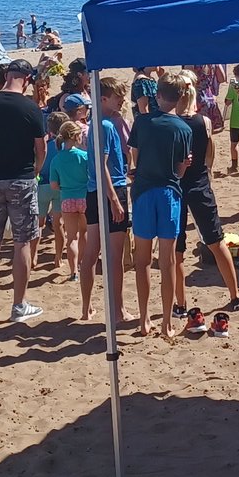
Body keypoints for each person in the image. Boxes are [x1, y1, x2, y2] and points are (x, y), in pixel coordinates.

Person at [0, 60, 47, 325]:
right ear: (26, 79)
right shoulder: (31, 107)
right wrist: (36, 172)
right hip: (22, 178)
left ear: (6, 76)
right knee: (22, 242)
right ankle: (18, 305)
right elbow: (41, 148)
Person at [165, 78, 239, 325]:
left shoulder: (171, 124)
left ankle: (180, 304)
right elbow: (210, 154)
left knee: (177, 249)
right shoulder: (204, 121)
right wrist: (206, 171)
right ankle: (236, 296)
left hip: (177, 186)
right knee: (215, 241)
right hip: (199, 183)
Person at [127, 71, 194, 337]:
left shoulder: (142, 122)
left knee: (142, 260)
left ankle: (144, 319)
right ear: (180, 98)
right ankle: (166, 322)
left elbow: (135, 156)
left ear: (157, 95)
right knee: (167, 262)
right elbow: (180, 170)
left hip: (144, 190)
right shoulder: (183, 128)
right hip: (168, 193)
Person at [79, 75, 130, 326]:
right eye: (118, 97)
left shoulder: (93, 122)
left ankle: (86, 308)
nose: (122, 100)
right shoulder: (106, 125)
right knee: (114, 256)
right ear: (103, 98)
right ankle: (118, 310)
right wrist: (114, 199)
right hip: (112, 189)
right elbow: (103, 165)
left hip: (92, 191)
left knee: (91, 253)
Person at [45, 116, 90, 279]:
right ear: (77, 137)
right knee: (84, 232)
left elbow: (54, 185)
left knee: (72, 237)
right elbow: (90, 177)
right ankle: (82, 265)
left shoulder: (57, 159)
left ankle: (73, 272)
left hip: (67, 198)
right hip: (84, 197)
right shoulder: (84, 156)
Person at [224, 65, 239, 175]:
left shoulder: (234, 86)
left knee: (234, 144)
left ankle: (234, 166)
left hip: (235, 120)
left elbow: (228, 101)